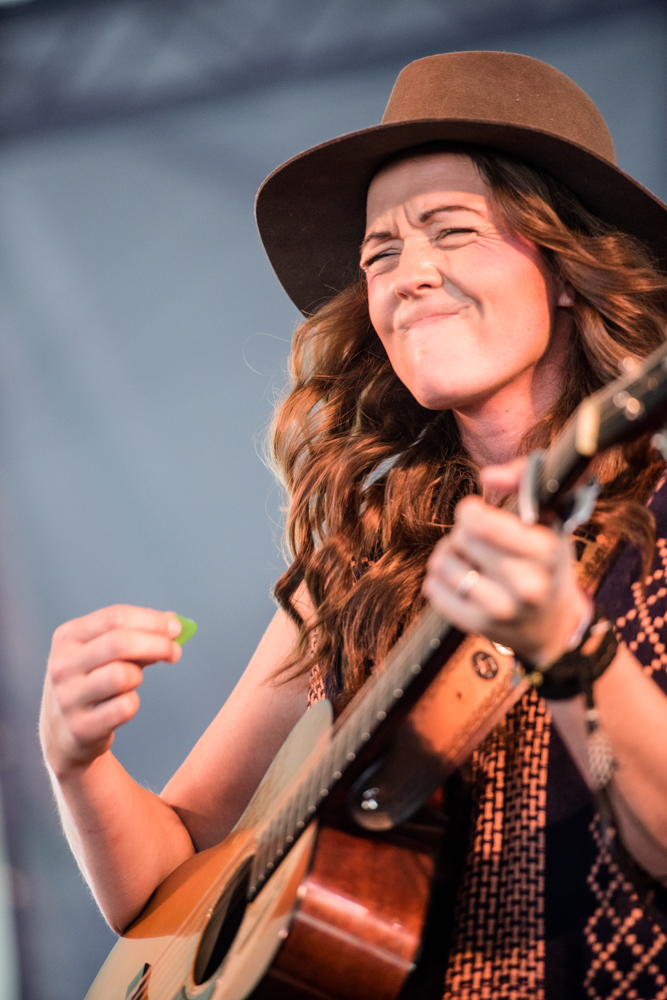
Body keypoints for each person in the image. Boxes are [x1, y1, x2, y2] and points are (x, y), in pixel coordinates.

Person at [39, 51, 667, 1000]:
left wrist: (568, 652)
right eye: (380, 253)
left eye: (450, 231)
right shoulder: (355, 559)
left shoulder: (656, 518)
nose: (407, 275)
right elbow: (163, 888)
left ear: (566, 268)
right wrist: (76, 761)